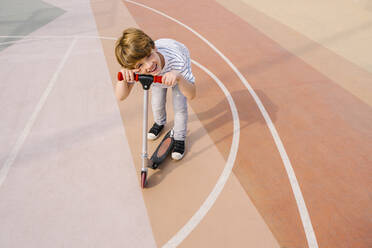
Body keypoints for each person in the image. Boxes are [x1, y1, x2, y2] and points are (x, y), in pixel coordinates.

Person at [114, 28, 196, 160]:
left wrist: (179, 77)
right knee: (157, 101)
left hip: (175, 70)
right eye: (140, 64)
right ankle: (159, 122)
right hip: (159, 78)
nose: (148, 65)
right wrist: (123, 77)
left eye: (148, 56)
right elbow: (121, 96)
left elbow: (191, 94)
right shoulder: (137, 69)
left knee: (179, 106)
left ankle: (179, 137)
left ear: (154, 48)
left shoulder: (178, 61)